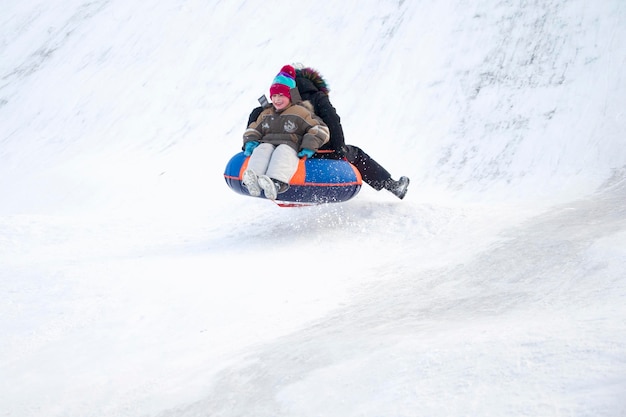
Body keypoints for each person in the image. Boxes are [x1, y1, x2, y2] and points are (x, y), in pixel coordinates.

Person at [248, 65, 410, 200]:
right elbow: (333, 121)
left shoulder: (279, 102)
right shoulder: (317, 97)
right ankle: (392, 186)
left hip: (285, 148)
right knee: (357, 154)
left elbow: (258, 116)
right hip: (322, 150)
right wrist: (339, 150)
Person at [242, 65, 330, 200]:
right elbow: (254, 128)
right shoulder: (266, 113)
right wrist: (250, 140)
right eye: (274, 96)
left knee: (283, 151)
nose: (277, 100)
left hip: (290, 145)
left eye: (281, 95)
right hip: (268, 143)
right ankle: (253, 179)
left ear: (290, 95)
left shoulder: (300, 112)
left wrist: (309, 145)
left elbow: (319, 129)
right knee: (262, 148)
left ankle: (277, 183)